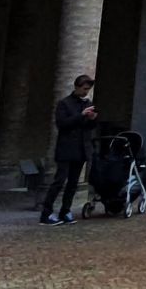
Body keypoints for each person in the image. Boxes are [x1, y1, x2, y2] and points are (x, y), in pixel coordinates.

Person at [40, 74, 97, 225]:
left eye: (88, 89)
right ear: (77, 87)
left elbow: (88, 128)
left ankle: (65, 211)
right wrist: (81, 115)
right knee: (59, 181)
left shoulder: (87, 103)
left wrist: (92, 119)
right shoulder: (64, 104)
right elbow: (62, 124)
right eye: (84, 89)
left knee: (73, 183)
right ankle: (46, 213)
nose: (86, 92)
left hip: (81, 149)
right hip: (66, 149)